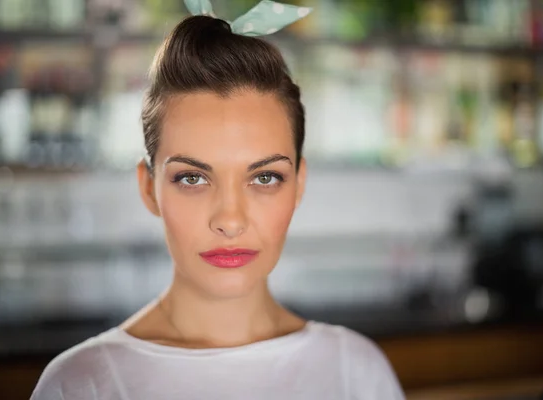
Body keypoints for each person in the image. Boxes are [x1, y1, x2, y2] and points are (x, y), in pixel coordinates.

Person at [31, 3, 405, 399]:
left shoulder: (355, 372)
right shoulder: (80, 385)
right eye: (192, 178)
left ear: (298, 184)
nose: (230, 220)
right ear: (148, 187)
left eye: (265, 178)